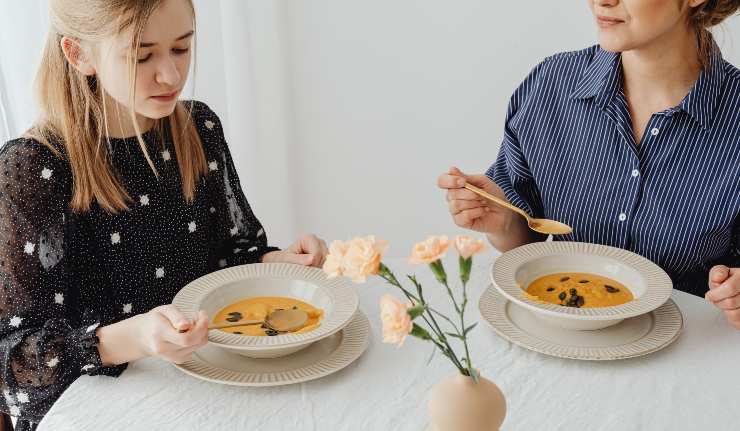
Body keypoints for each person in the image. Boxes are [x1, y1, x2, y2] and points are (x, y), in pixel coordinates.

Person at [0, 1, 328, 429]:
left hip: (215, 391)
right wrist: (130, 339)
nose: (170, 76)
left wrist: (274, 262)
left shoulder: (199, 130)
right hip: (103, 412)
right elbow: (13, 357)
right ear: (79, 54)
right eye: (141, 56)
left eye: (181, 48)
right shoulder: (32, 171)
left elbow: (226, 257)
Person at [439, 0, 740, 327]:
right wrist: (502, 222)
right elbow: (526, 235)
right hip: (556, 338)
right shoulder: (552, 85)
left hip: (689, 354)